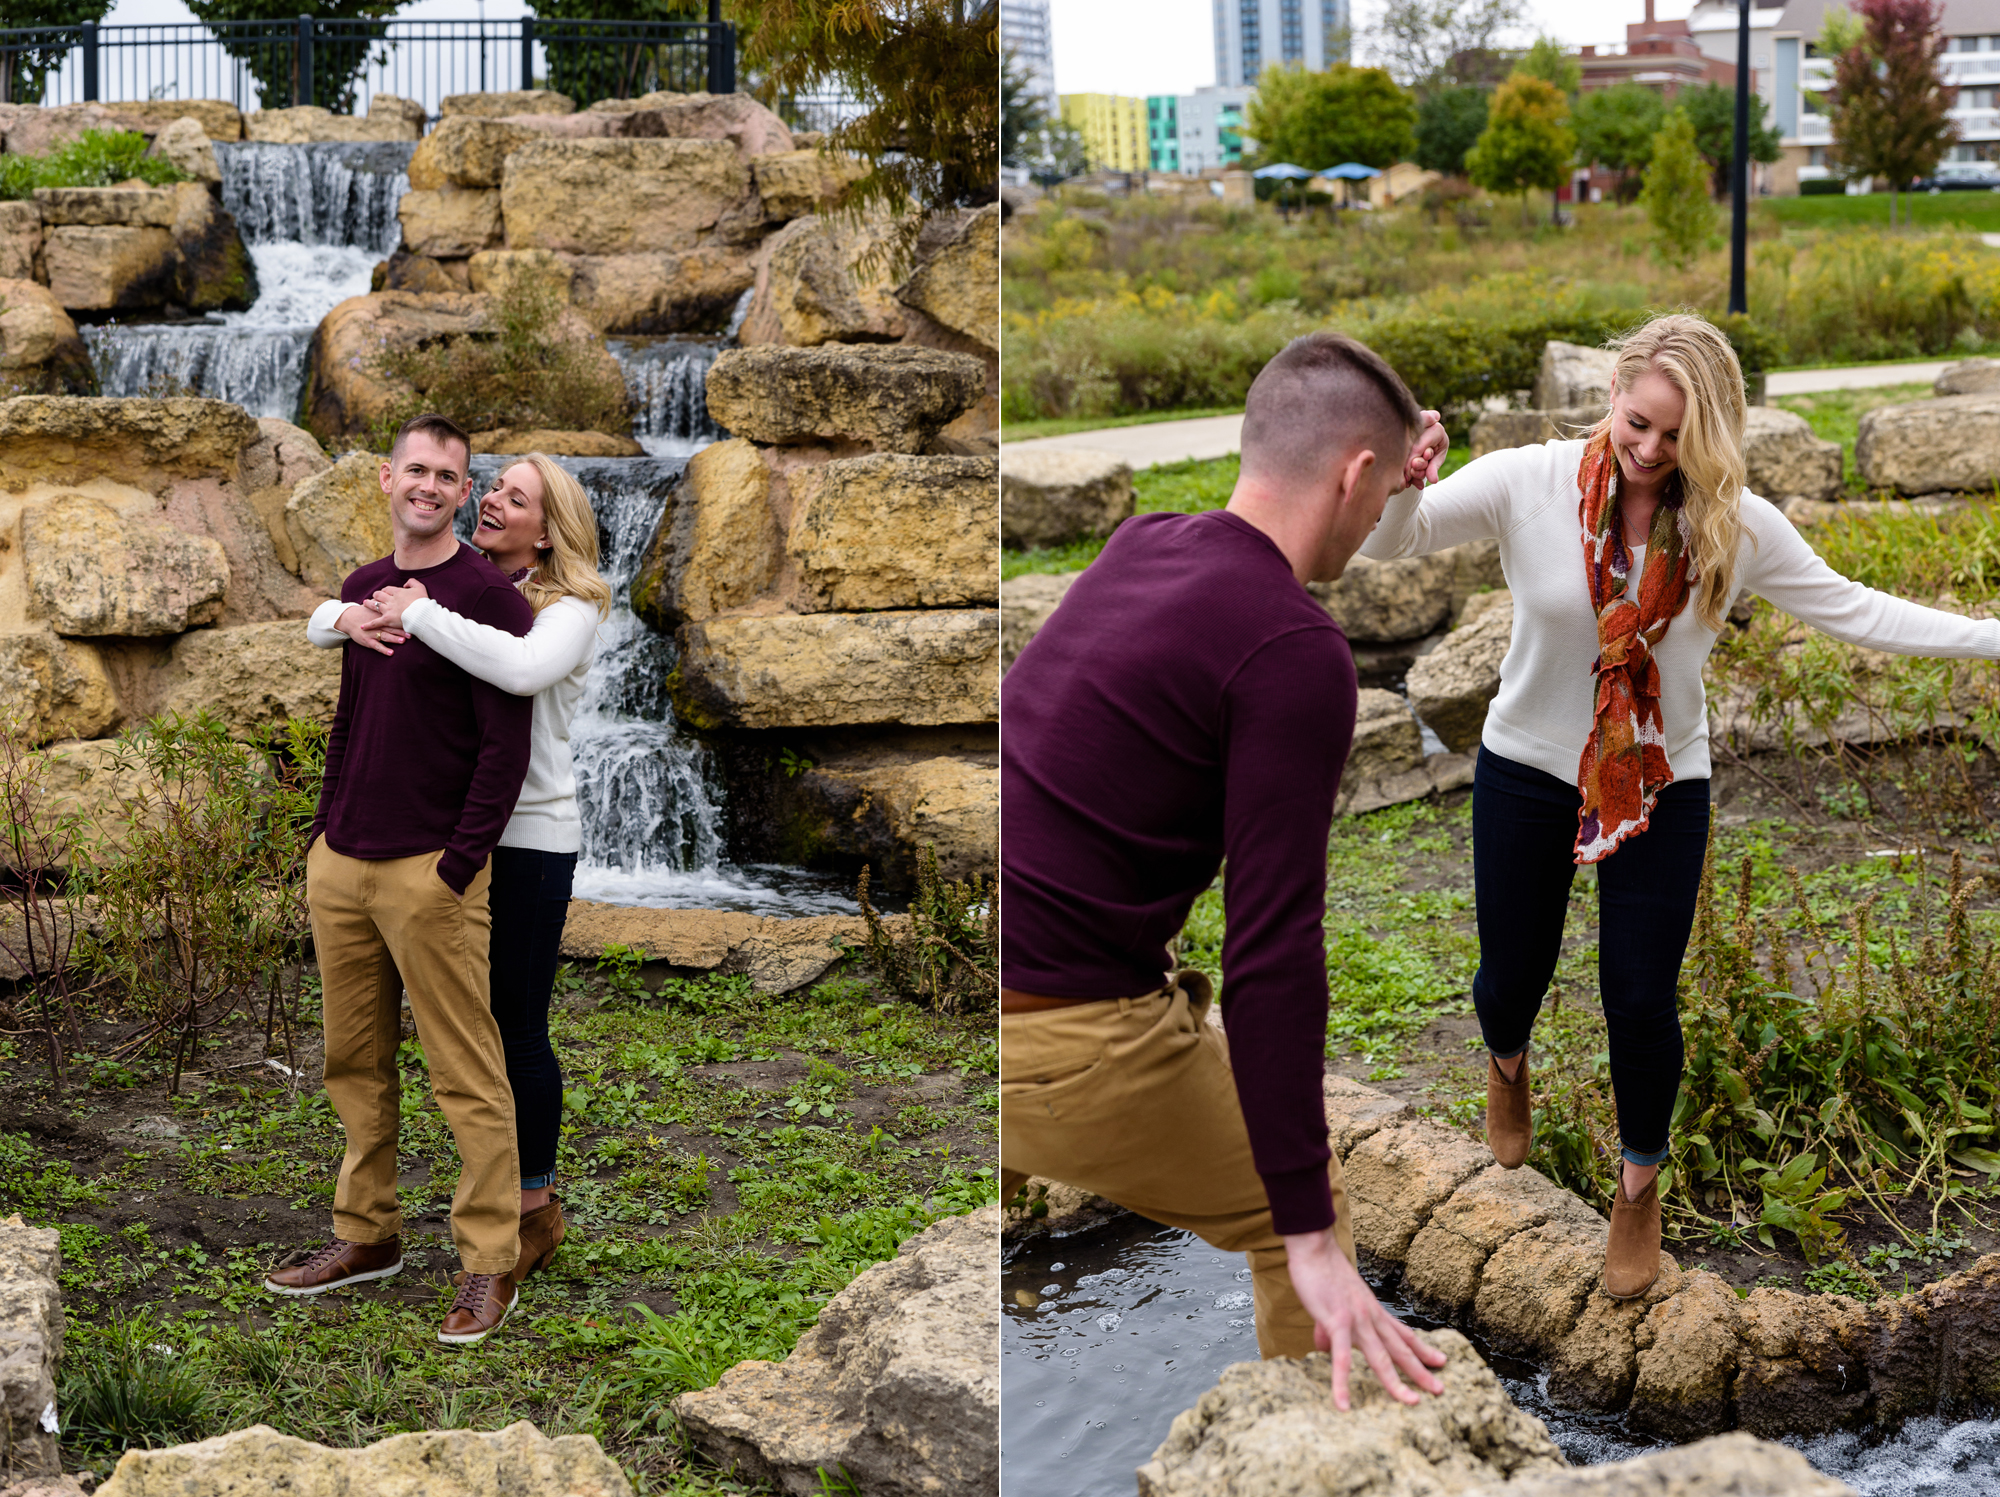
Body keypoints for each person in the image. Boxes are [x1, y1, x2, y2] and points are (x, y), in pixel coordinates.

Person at [1371, 313, 2000, 1298]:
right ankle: (1504, 1063)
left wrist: (1988, 637)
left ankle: (1635, 1190)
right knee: (1509, 978)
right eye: (1636, 423)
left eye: (1674, 436)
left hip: (1661, 778)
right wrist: (1400, 488)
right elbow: (1389, 545)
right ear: (1611, 396)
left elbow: (1854, 606)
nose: (1650, 451)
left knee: (1635, 994)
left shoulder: (1733, 524)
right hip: (1527, 765)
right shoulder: (1528, 483)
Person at [1001, 331, 1450, 1411]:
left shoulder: (1143, 543)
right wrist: (1304, 1226)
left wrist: (1386, 472)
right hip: (1068, 1045)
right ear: (1356, 476)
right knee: (1299, 1215)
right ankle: (1308, 1459)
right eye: (1380, 486)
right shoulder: (1297, 654)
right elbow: (1270, 954)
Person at [264, 414, 536, 1349]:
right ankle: (364, 1235)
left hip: (431, 870)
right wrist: (324, 831)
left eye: (447, 476)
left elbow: (505, 752)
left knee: (466, 1070)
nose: (427, 486)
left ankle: (489, 1261)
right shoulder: (359, 589)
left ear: (465, 492)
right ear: (386, 478)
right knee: (354, 1060)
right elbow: (352, 715)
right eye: (414, 469)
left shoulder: (490, 600)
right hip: (344, 860)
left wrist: (456, 866)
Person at [305, 454, 609, 1285]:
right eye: (496, 489)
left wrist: (421, 610)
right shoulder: (459, 587)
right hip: (439, 833)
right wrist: (341, 610)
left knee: (509, 1029)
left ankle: (529, 1210)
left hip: (526, 841)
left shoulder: (568, 609)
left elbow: (515, 668)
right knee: (401, 1039)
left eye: (518, 499)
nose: (493, 503)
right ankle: (383, 1226)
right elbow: (362, 623)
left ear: (548, 531)